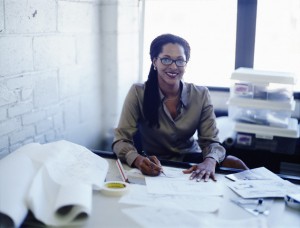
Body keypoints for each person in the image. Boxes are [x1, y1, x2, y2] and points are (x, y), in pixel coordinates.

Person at [112, 33, 248, 182]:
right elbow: (121, 140)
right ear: (154, 62)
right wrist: (137, 159)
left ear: (185, 64)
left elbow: (211, 142)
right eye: (166, 59)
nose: (173, 66)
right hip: (154, 163)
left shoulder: (200, 94)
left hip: (190, 160)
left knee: (235, 162)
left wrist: (209, 162)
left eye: (179, 61)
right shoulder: (139, 92)